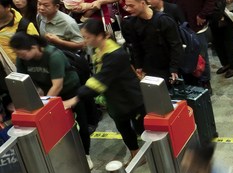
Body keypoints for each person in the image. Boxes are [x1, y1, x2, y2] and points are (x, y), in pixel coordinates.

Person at [63, 18, 145, 161]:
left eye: (87, 37)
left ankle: (157, 156)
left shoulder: (115, 54)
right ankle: (136, 155)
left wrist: (76, 98)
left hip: (130, 99)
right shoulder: (98, 49)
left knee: (142, 130)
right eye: (83, 37)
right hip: (115, 100)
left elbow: (99, 81)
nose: (85, 41)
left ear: (100, 36)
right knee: (124, 128)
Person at [9, 32, 92, 162]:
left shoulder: (53, 55)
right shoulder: (22, 59)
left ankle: (86, 155)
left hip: (69, 91)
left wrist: (44, 107)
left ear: (34, 47)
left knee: (80, 124)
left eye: (22, 53)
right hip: (47, 92)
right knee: (56, 126)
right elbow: (25, 81)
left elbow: (57, 86)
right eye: (18, 54)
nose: (20, 57)